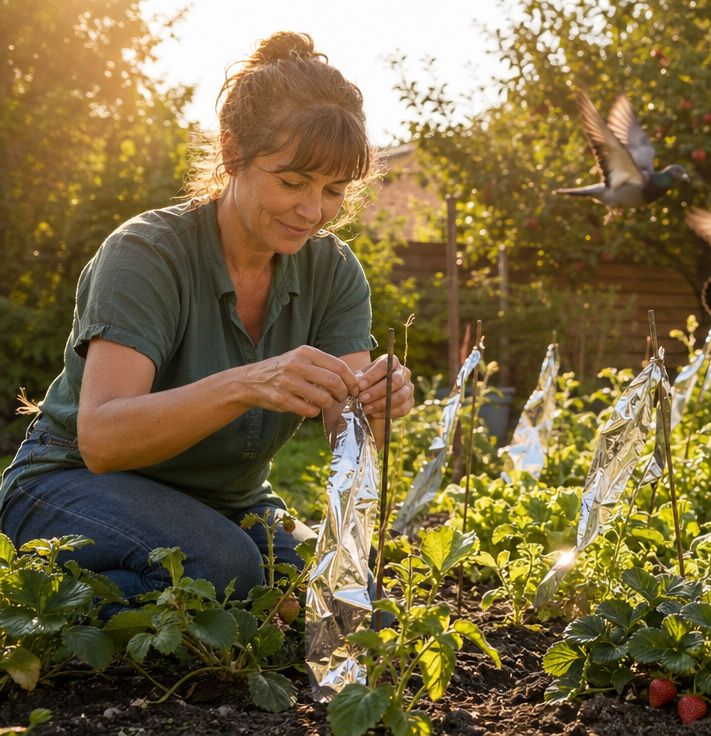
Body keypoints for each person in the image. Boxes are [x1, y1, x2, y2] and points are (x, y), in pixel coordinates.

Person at [0, 31, 414, 605]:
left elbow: (348, 433)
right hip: (75, 484)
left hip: (226, 504)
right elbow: (102, 440)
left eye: (334, 190)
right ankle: (25, 607)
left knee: (342, 591)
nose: (312, 210)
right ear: (231, 154)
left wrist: (377, 410)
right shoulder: (146, 253)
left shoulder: (333, 270)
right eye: (292, 182)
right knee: (223, 568)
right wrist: (247, 383)